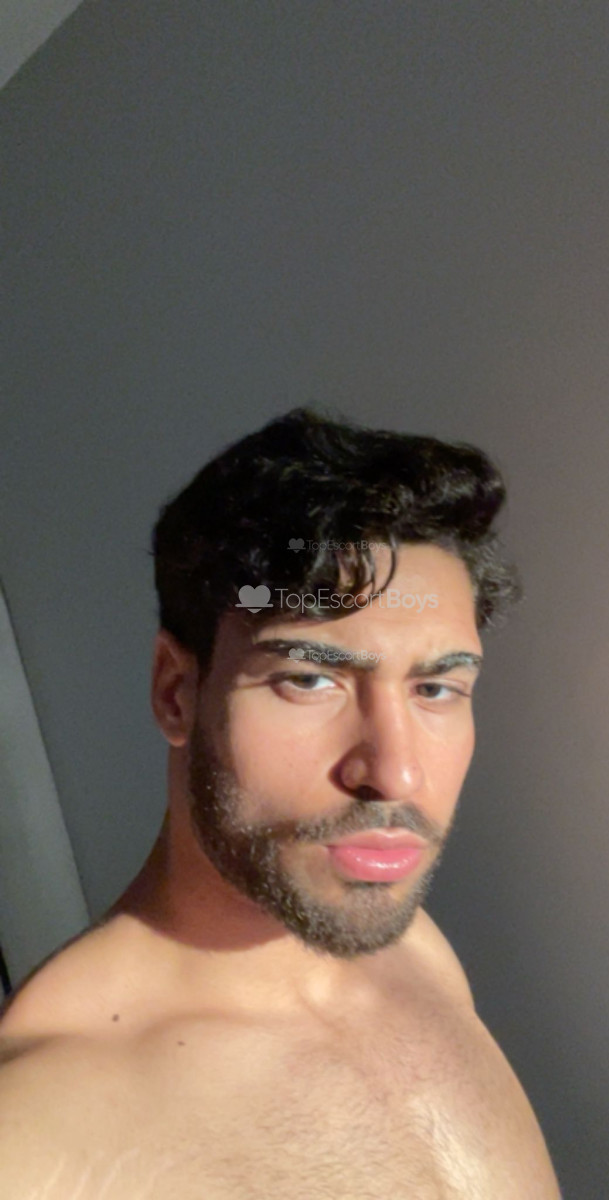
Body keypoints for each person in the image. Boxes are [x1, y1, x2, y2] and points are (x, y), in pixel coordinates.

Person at [0, 408, 561, 1198]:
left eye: (435, 688)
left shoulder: (413, 949)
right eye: (308, 679)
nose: (395, 775)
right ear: (175, 692)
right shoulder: (34, 1132)